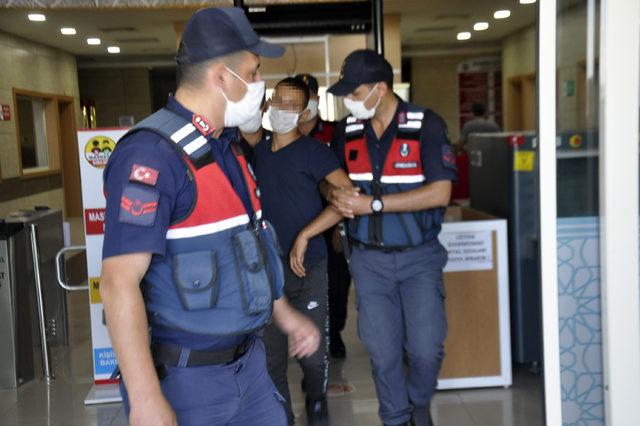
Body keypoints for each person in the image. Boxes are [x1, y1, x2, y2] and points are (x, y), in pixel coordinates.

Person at [99, 8, 320, 426]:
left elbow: (248, 246)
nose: (260, 87)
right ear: (222, 78)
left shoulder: (227, 148)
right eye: (254, 74)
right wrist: (146, 400)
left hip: (249, 366)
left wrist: (286, 316)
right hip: (187, 378)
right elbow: (117, 281)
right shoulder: (151, 155)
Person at [326, 49, 458, 426]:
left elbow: (440, 193)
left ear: (380, 89)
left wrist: (376, 205)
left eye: (355, 92)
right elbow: (333, 183)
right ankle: (396, 418)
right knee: (382, 354)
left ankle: (418, 405)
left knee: (425, 351)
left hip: (420, 258)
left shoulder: (425, 125)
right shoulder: (346, 131)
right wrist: (334, 195)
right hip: (369, 261)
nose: (349, 100)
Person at [254, 77, 352, 426]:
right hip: (268, 272)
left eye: (291, 104)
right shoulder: (258, 153)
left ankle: (316, 404)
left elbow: (348, 197)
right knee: (271, 358)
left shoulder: (315, 152)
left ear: (305, 112)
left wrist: (306, 235)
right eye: (277, 100)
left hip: (309, 267)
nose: (281, 108)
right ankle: (283, 418)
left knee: (312, 354)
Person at [295, 73, 352, 359]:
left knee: (337, 283)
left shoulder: (333, 132)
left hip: (332, 221)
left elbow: (346, 182)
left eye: (312, 95)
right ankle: (310, 335)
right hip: (297, 222)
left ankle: (335, 332)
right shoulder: (283, 136)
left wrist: (338, 225)